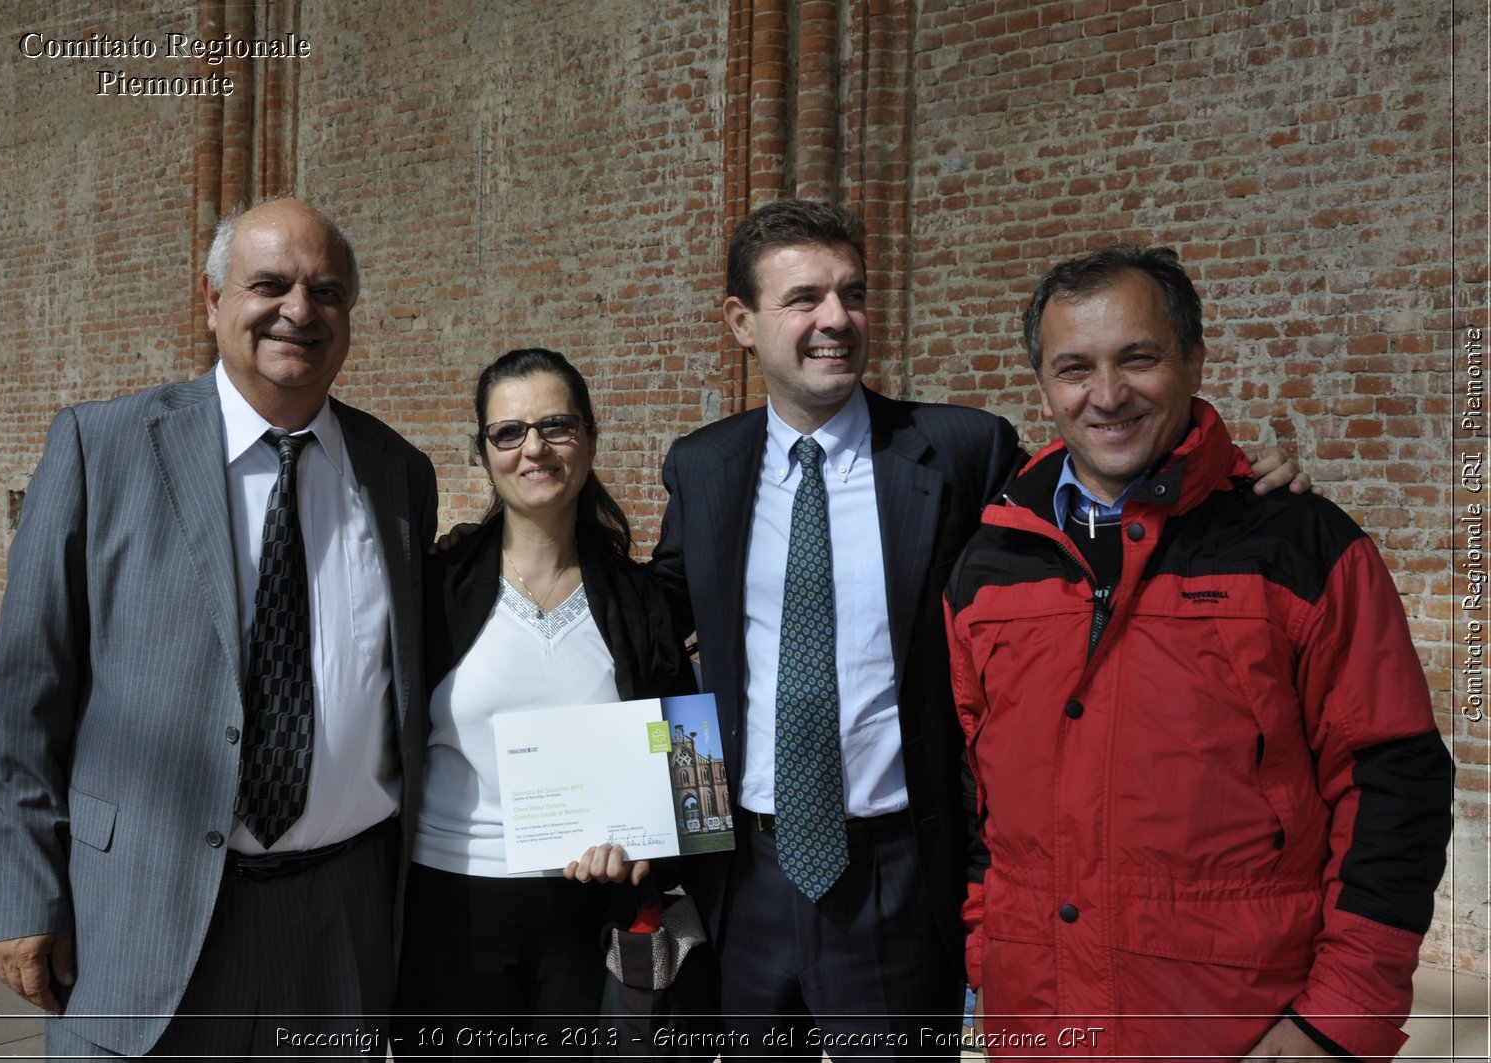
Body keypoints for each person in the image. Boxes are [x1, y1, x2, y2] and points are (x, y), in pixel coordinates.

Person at [649, 200, 1311, 1054]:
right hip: (744, 871)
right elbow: (656, 630)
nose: (836, 319)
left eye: (852, 293)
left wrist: (1231, 483)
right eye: (804, 297)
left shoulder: (959, 450)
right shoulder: (704, 464)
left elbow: (1092, 524)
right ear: (742, 321)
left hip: (893, 869)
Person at [943, 245, 1454, 1059]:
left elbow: (1394, 779)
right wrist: (986, 963)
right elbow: (980, 801)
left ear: (1194, 359)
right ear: (1043, 386)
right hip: (1038, 1021)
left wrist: (1340, 1018)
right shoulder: (989, 567)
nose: (1106, 395)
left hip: (1238, 1027)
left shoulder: (1298, 544)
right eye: (1074, 368)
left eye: (1137, 358)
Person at [0, 197, 437, 1058]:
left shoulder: (397, 474)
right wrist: (26, 895)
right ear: (212, 298)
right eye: (269, 285)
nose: (298, 311)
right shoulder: (100, 448)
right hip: (139, 912)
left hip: (338, 922)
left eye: (326, 291)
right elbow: (24, 700)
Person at [394, 348, 695, 1052]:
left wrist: (648, 848)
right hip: (451, 909)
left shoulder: (641, 602)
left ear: (589, 437)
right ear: (484, 452)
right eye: (509, 431)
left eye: (556, 425)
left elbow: (690, 768)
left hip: (587, 916)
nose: (534, 447)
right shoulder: (431, 592)